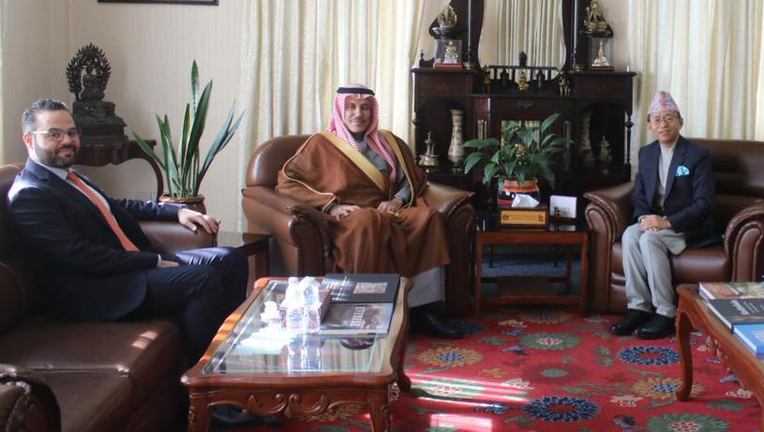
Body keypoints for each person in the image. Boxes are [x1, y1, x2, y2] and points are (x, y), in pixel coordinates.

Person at [6, 99, 247, 365]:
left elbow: (115, 205)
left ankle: (232, 359)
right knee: (202, 279)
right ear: (29, 139)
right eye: (54, 134)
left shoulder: (68, 176)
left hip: (127, 269)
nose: (68, 140)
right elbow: (79, 255)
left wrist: (175, 210)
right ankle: (206, 386)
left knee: (230, 258)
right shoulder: (30, 194)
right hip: (96, 291)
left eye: (72, 132)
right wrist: (153, 261)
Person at [276, 84, 463, 339]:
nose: (358, 114)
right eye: (351, 107)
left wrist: (397, 200)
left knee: (427, 218)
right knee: (368, 221)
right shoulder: (320, 144)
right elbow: (287, 182)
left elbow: (412, 179)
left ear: (372, 111)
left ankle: (422, 310)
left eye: (364, 107)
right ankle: (364, 311)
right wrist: (332, 205)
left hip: (388, 212)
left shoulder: (389, 142)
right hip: (349, 219)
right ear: (341, 110)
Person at [609, 90, 714, 340]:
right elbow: (639, 195)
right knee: (632, 235)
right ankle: (638, 307)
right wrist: (646, 218)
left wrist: (665, 222)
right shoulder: (647, 153)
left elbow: (704, 203)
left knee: (649, 238)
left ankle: (666, 313)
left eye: (669, 118)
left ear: (680, 122)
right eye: (657, 119)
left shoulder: (697, 155)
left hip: (686, 225)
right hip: (656, 220)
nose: (663, 124)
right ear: (649, 126)